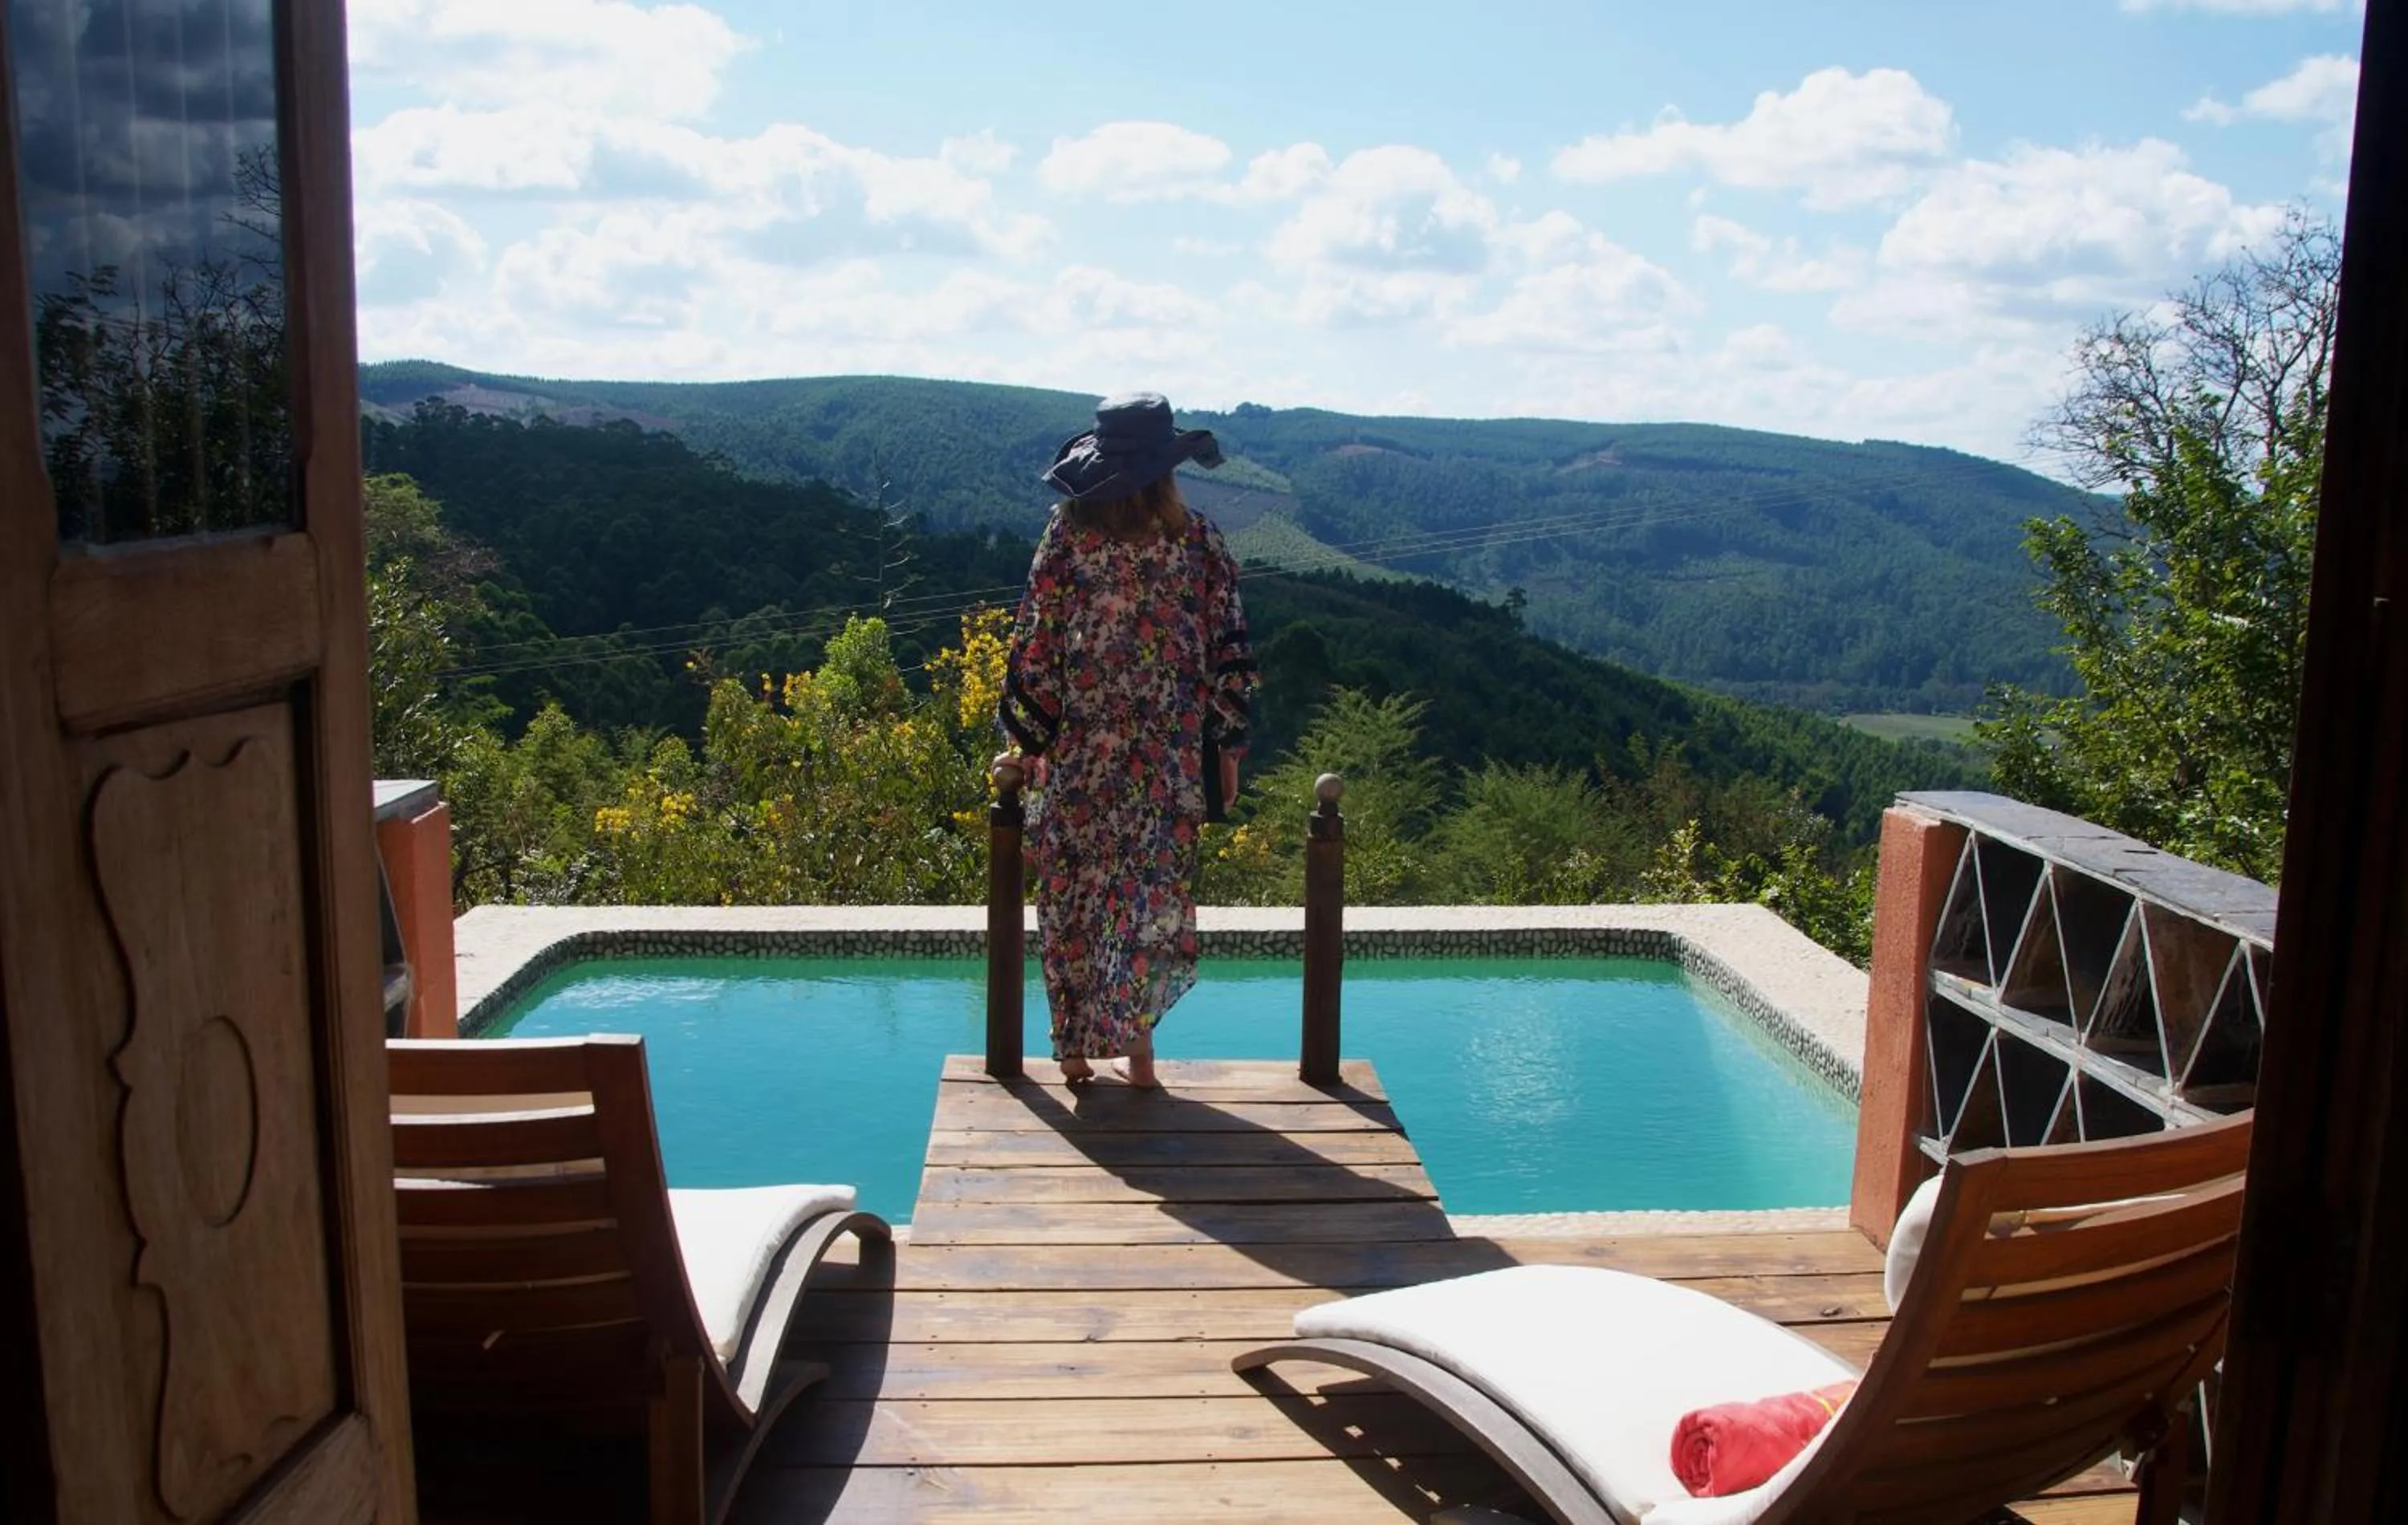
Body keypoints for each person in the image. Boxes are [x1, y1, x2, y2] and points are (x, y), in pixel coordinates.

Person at [997, 392, 1261, 1088]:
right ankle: (1140, 1058)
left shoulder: (1067, 536)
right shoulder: (1197, 540)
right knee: (1145, 900)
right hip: (1164, 756)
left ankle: (1074, 1052)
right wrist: (1225, 751)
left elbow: (1036, 647)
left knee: (1071, 896)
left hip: (1080, 754)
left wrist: (1025, 746)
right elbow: (1228, 652)